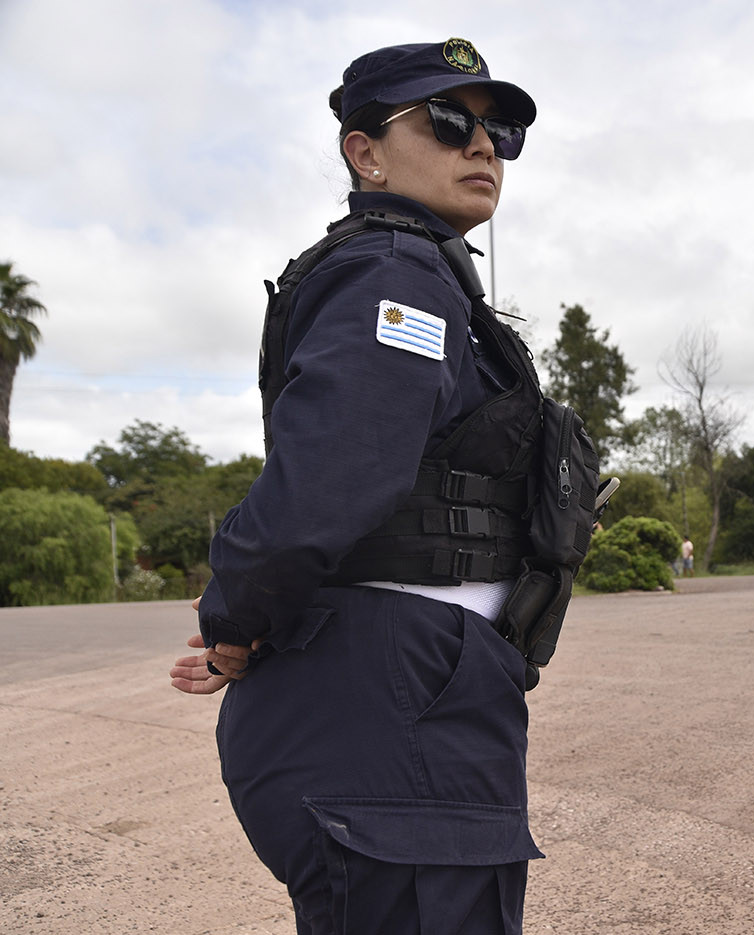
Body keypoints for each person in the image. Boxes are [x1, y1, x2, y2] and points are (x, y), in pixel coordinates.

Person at [167, 39, 548, 934]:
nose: (482, 144)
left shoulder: (424, 276)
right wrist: (236, 620)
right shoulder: (395, 274)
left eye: (501, 130)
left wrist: (246, 624)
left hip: (411, 693)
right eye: (451, 119)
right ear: (365, 152)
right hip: (391, 701)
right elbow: (332, 477)